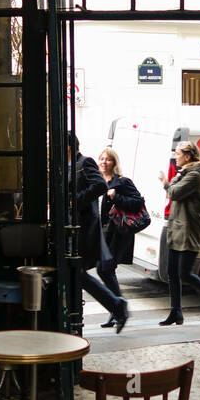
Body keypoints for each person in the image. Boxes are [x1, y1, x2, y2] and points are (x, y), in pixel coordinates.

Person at [69, 133, 128, 333]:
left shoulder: (84, 162)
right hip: (77, 226)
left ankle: (115, 305)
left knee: (77, 272)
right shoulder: (71, 164)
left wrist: (75, 200)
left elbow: (100, 185)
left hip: (85, 228)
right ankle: (114, 305)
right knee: (77, 273)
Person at [158, 140, 200, 326]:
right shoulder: (185, 172)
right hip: (178, 229)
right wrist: (172, 181)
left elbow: (174, 193)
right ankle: (176, 312)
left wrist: (166, 183)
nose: (175, 157)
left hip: (189, 230)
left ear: (187, 156)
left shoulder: (195, 176)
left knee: (184, 273)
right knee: (172, 273)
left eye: (178, 154)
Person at [96, 146, 145, 328]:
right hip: (103, 234)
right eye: (101, 158)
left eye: (107, 159)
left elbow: (138, 202)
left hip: (118, 234)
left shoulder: (122, 183)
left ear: (114, 163)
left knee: (105, 269)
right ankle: (117, 308)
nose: (103, 161)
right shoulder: (99, 183)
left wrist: (116, 197)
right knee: (105, 270)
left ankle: (118, 309)